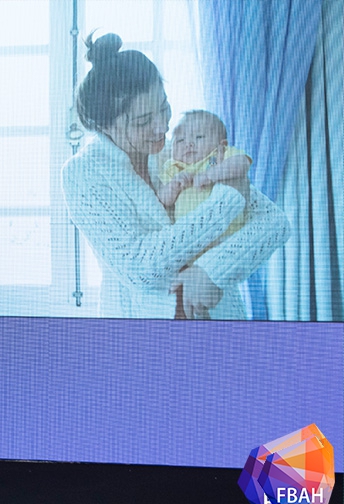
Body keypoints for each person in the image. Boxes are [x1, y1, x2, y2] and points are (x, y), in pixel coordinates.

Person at [61, 32, 289, 320]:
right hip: (142, 334)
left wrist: (211, 271)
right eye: (144, 121)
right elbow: (140, 268)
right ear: (105, 126)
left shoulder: (182, 151)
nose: (162, 128)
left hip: (221, 319)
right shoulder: (83, 174)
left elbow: (275, 223)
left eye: (164, 108)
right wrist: (229, 199)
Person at [157, 110, 252, 318]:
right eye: (180, 140)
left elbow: (242, 164)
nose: (189, 144)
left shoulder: (218, 157)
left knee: (219, 292)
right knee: (197, 298)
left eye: (199, 137)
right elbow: (163, 200)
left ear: (221, 144)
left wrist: (212, 174)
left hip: (226, 238)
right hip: (192, 246)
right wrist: (174, 185)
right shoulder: (174, 168)